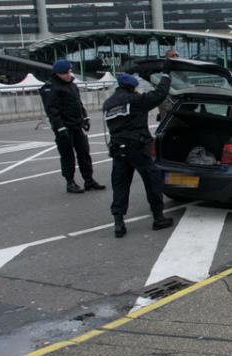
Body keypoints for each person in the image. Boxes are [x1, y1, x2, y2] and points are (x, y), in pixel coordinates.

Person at [103, 64, 174, 238]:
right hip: (137, 148)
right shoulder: (135, 100)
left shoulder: (108, 103)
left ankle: (118, 224)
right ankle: (158, 218)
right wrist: (166, 74)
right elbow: (159, 95)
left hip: (118, 149)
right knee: (152, 181)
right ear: (131, 87)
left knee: (120, 185)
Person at [40, 60, 106, 194]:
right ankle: (70, 182)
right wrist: (60, 128)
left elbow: (78, 104)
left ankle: (89, 180)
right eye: (66, 72)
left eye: (69, 71)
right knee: (67, 156)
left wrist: (85, 118)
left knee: (84, 153)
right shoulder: (51, 88)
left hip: (77, 125)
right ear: (58, 73)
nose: (69, 74)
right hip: (64, 127)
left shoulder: (72, 85)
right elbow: (52, 111)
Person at [157, 49, 180, 122]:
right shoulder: (163, 72)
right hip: (168, 105)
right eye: (172, 55)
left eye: (177, 55)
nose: (175, 57)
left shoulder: (182, 71)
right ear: (167, 58)